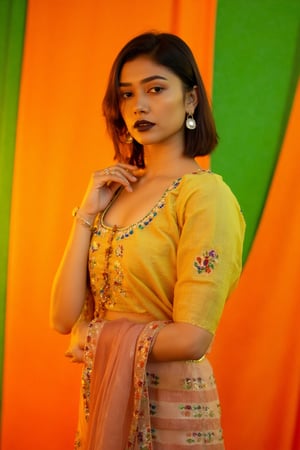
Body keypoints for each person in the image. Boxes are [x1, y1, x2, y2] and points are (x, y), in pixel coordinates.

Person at [50, 32, 245, 450]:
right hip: (103, 399)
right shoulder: (114, 191)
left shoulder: (203, 197)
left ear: (190, 100)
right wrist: (85, 215)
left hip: (172, 412)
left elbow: (193, 337)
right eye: (126, 94)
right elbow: (63, 317)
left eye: (156, 89)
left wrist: (96, 337)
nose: (138, 105)